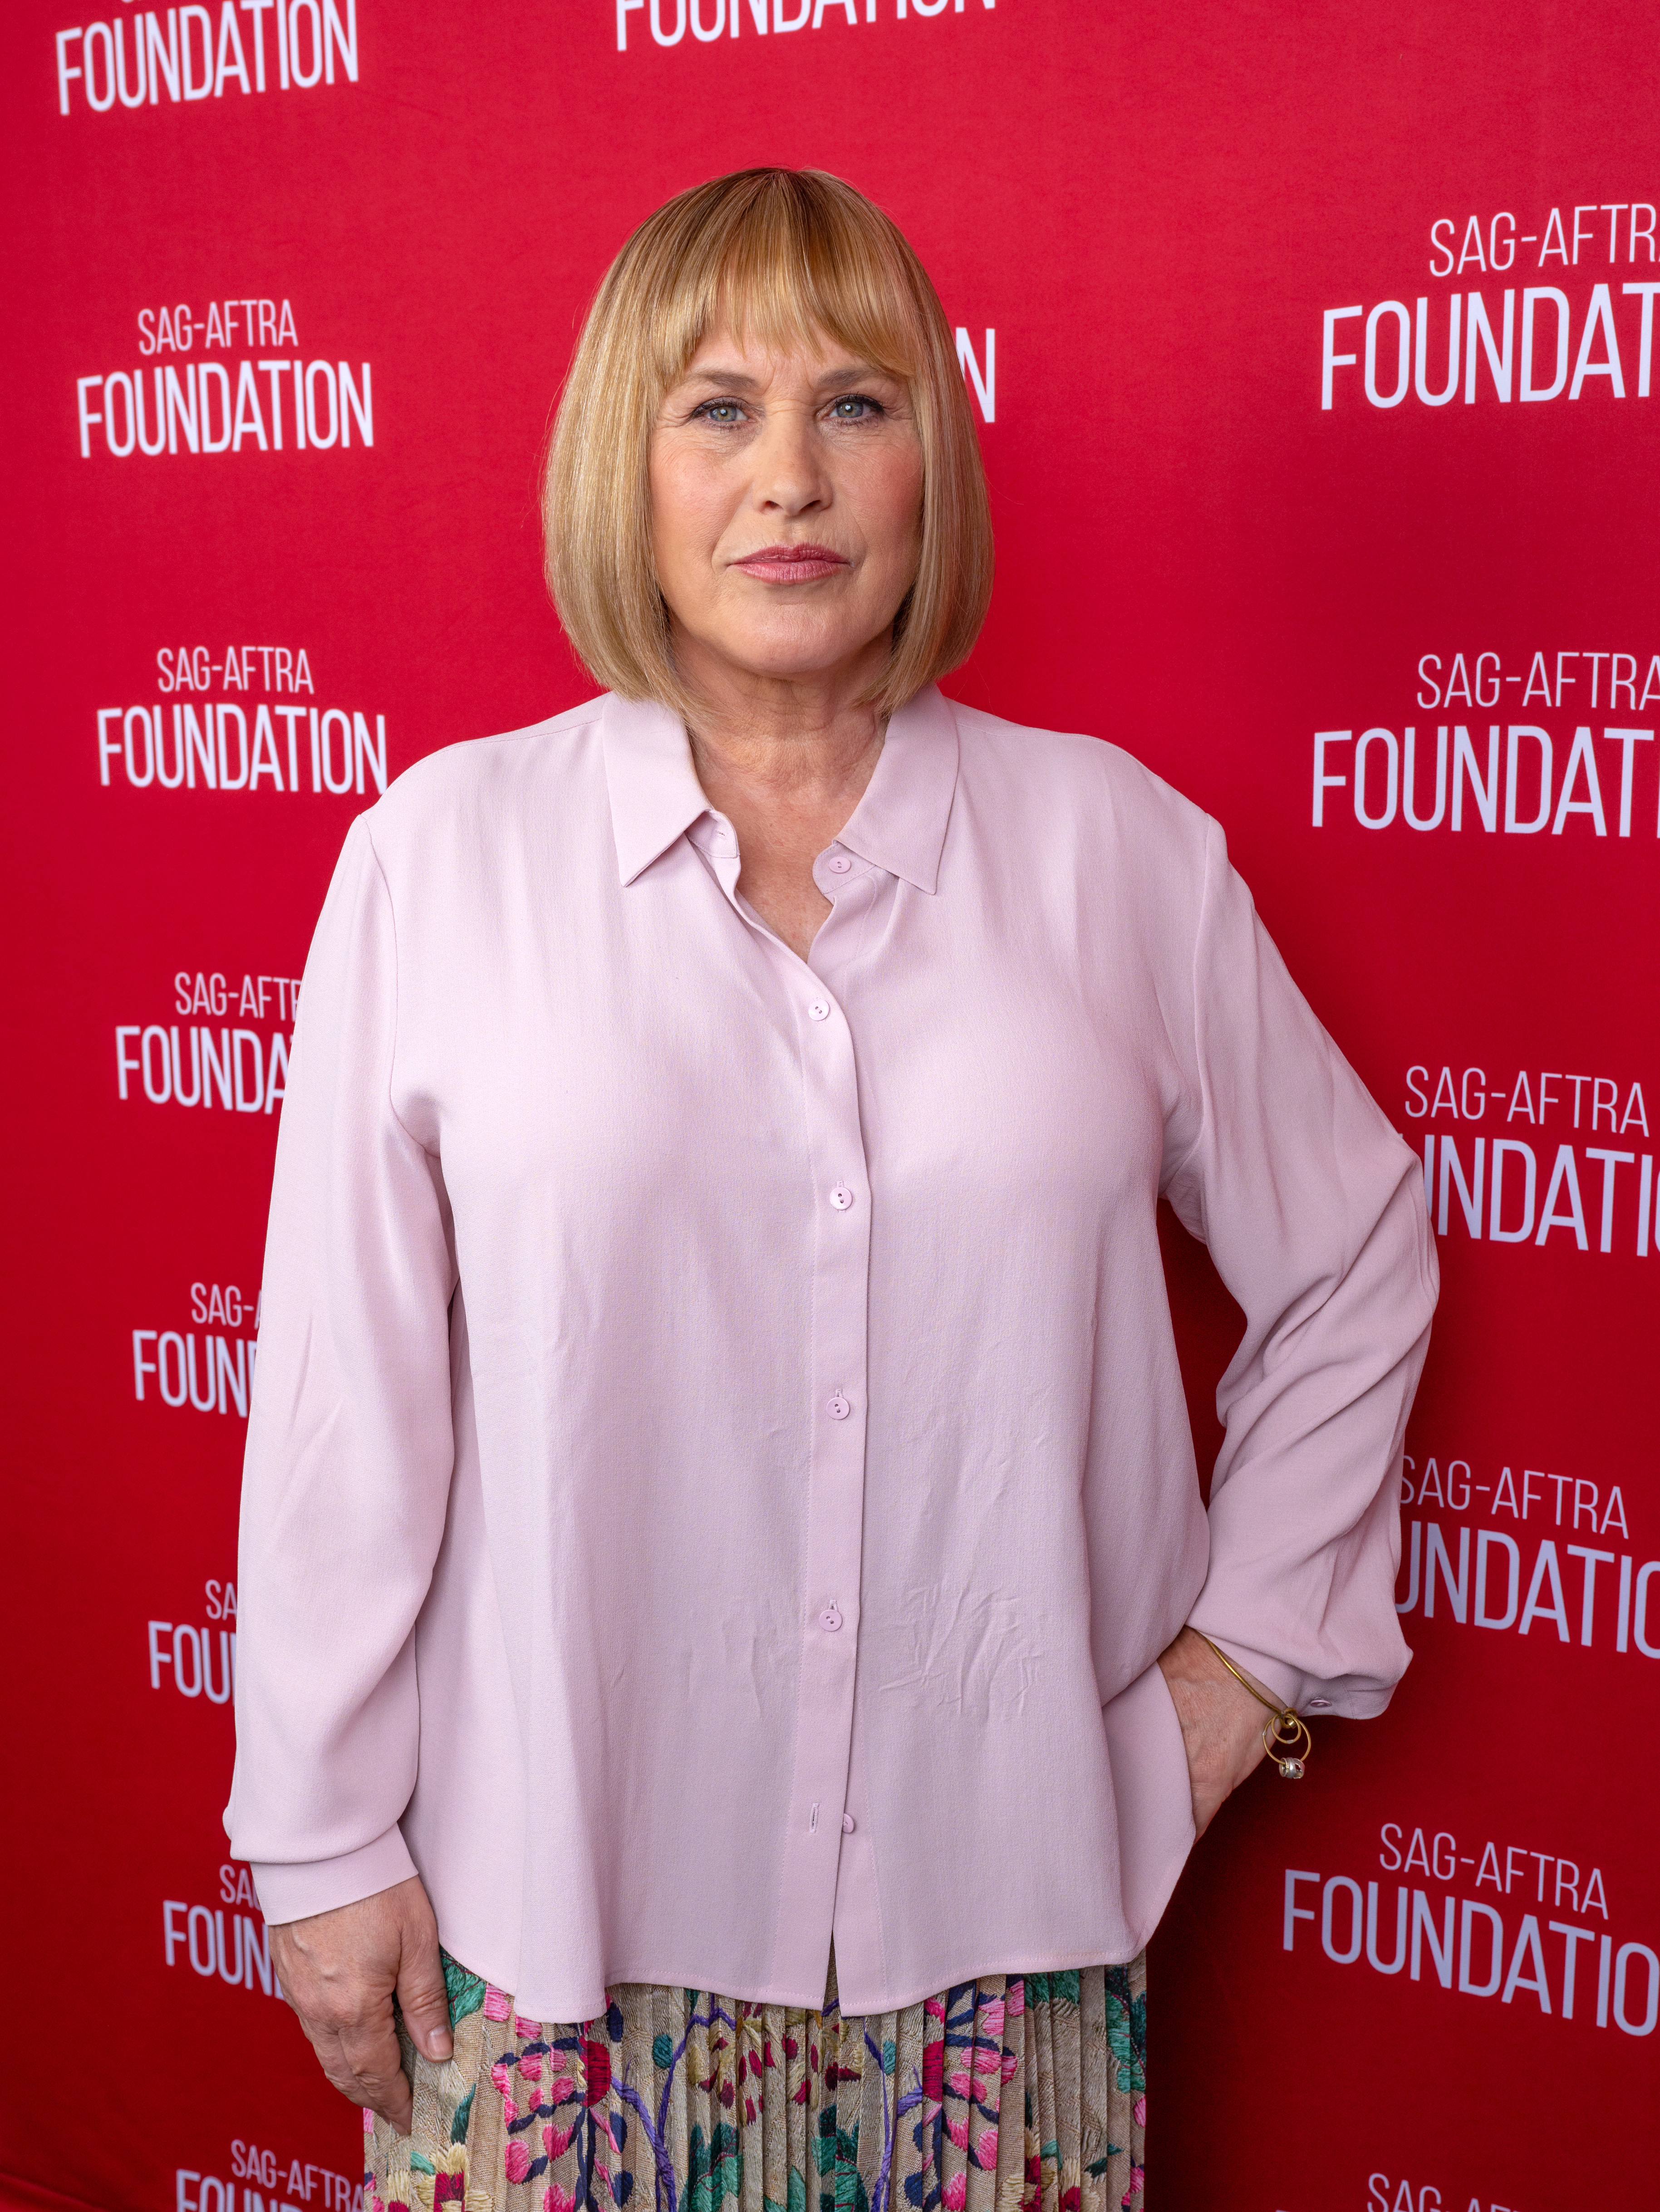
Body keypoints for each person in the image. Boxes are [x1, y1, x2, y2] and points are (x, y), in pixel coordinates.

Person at [226, 167, 1437, 2212]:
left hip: (1012, 1941)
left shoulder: (1119, 856)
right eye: (719, 407)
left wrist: (1241, 1671)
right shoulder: (440, 857)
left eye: (856, 403)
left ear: (929, 462)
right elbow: (347, 1391)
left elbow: (1357, 1253)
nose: (789, 474)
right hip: (543, 1937)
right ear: (626, 463)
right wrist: (323, 1836)